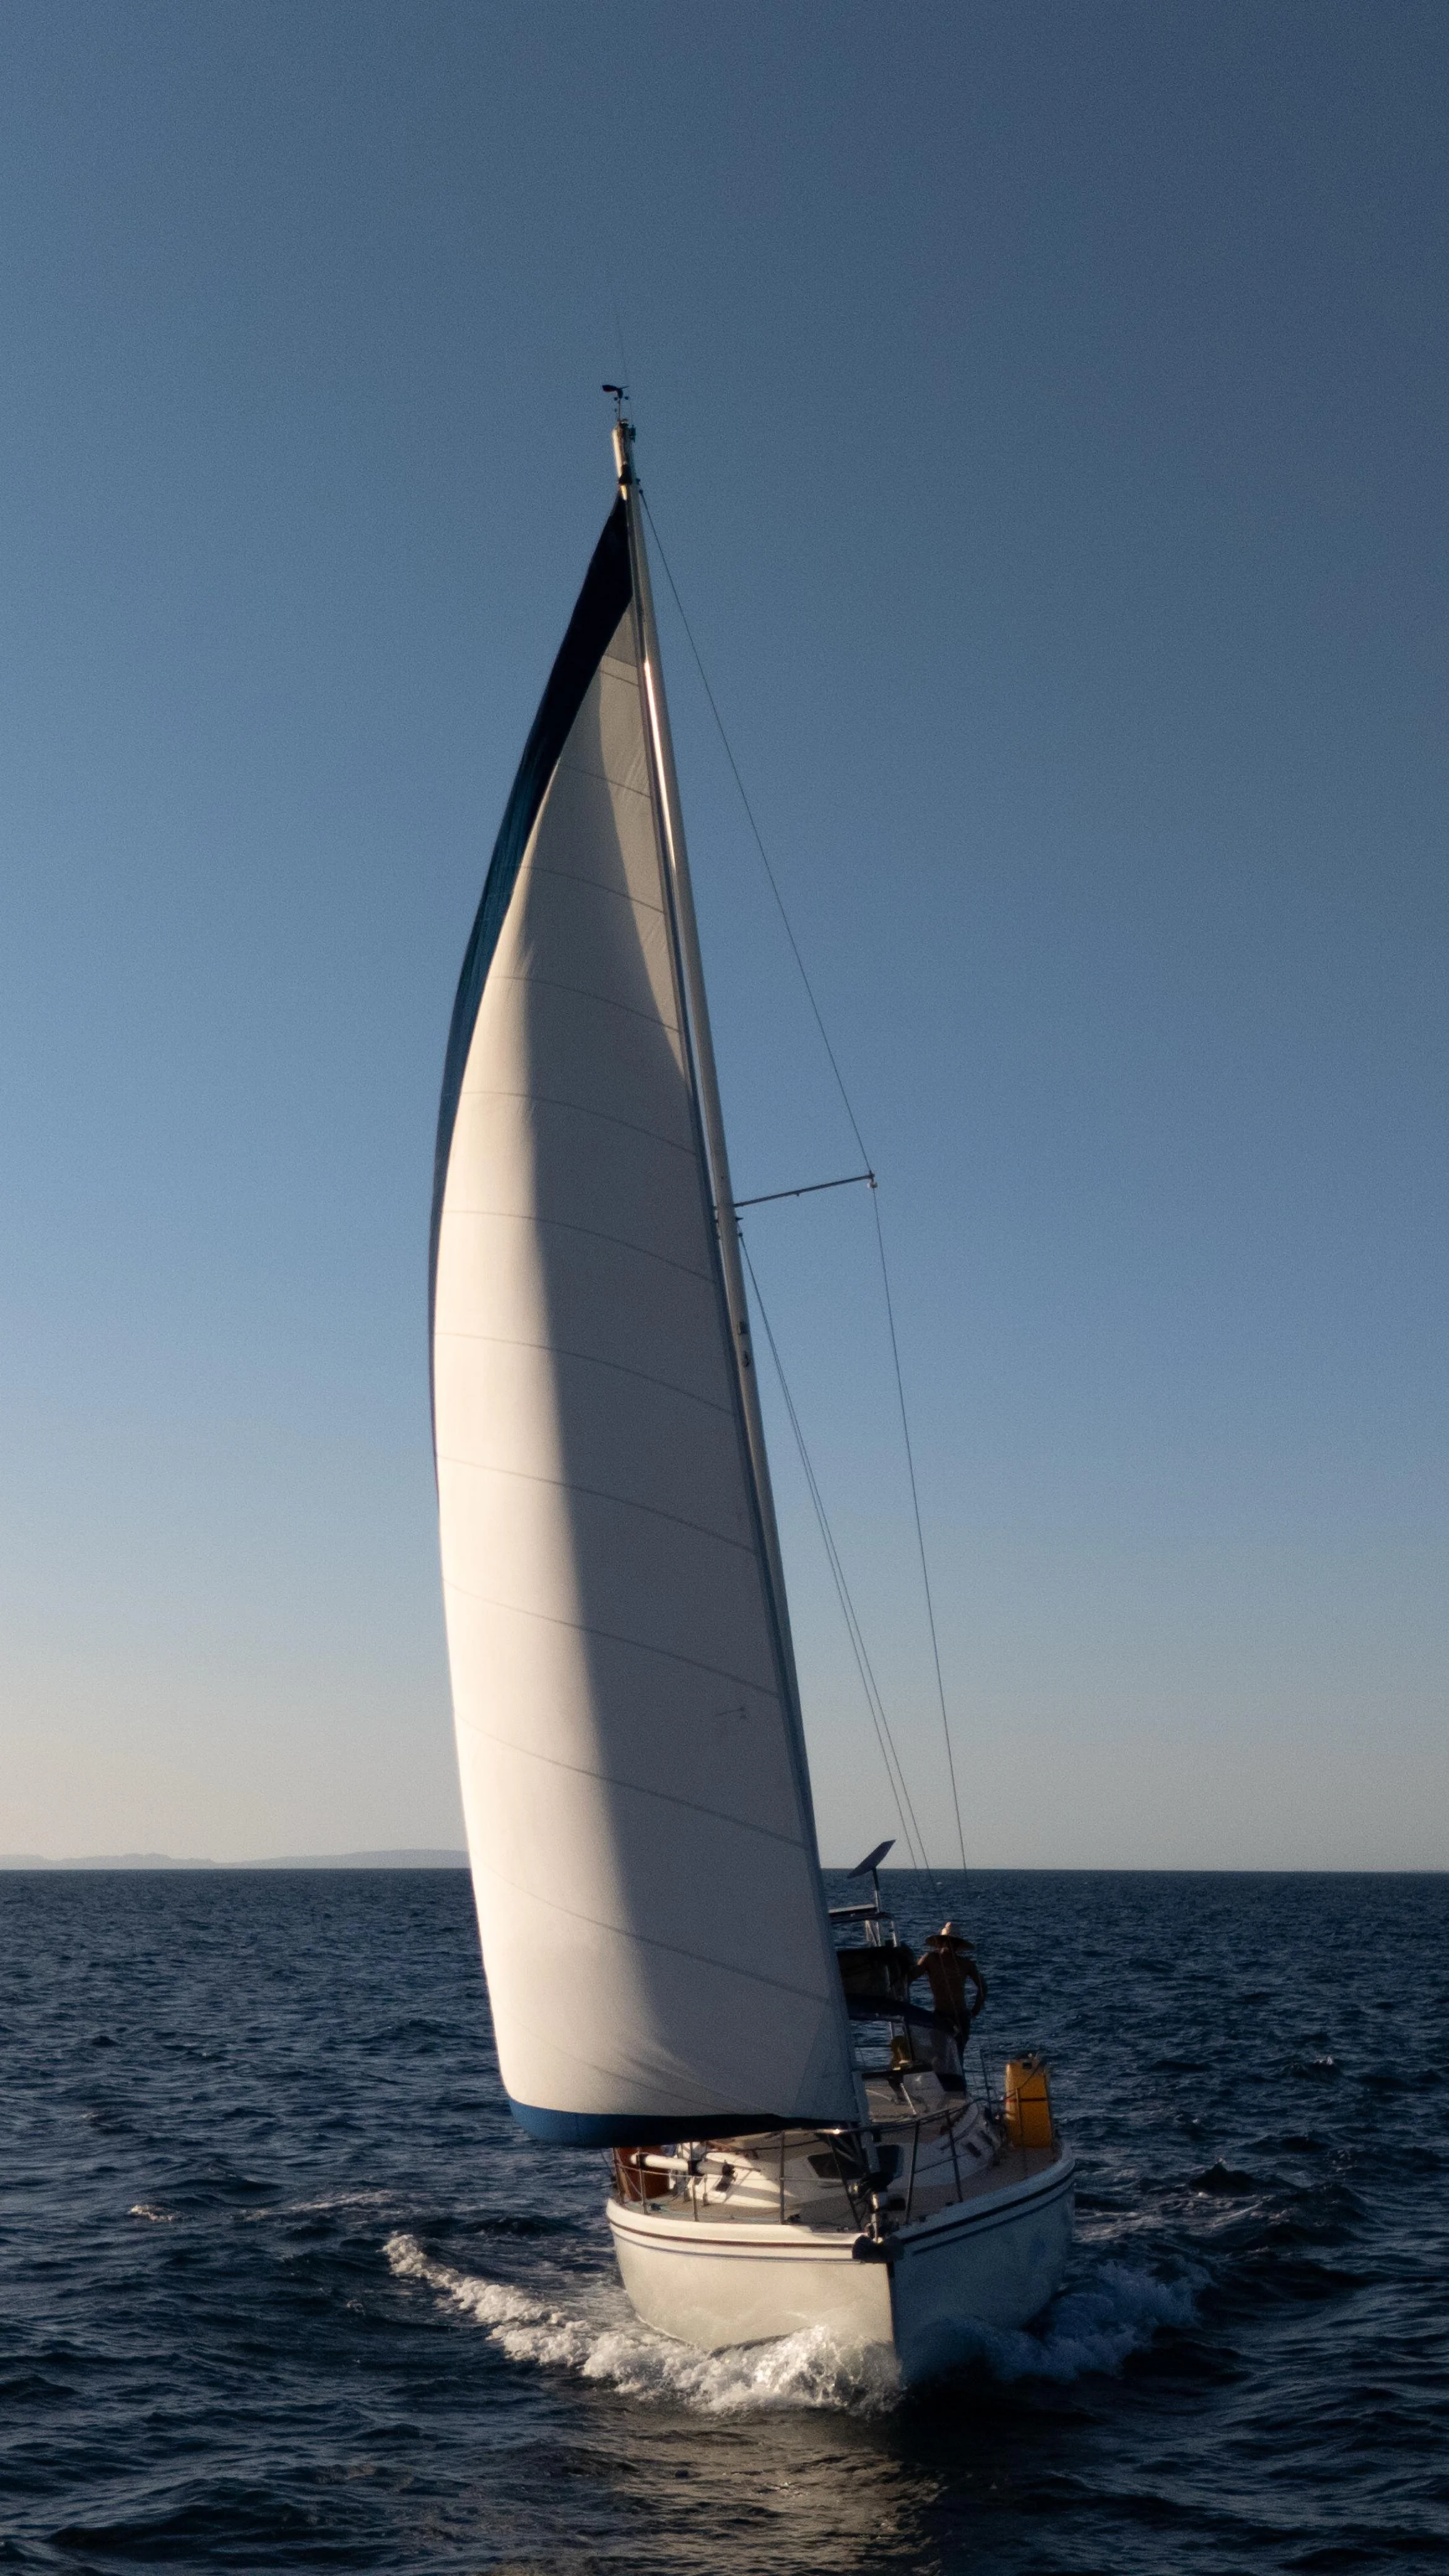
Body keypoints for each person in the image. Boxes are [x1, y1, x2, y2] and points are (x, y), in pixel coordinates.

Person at [915, 1923, 988, 2034]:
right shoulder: (931, 1959)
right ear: (941, 1942)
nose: (950, 1945)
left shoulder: (966, 1964)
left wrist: (974, 2012)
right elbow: (912, 1975)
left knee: (956, 2046)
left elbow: (983, 1987)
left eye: (953, 1943)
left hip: (960, 2017)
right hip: (940, 2016)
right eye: (948, 1942)